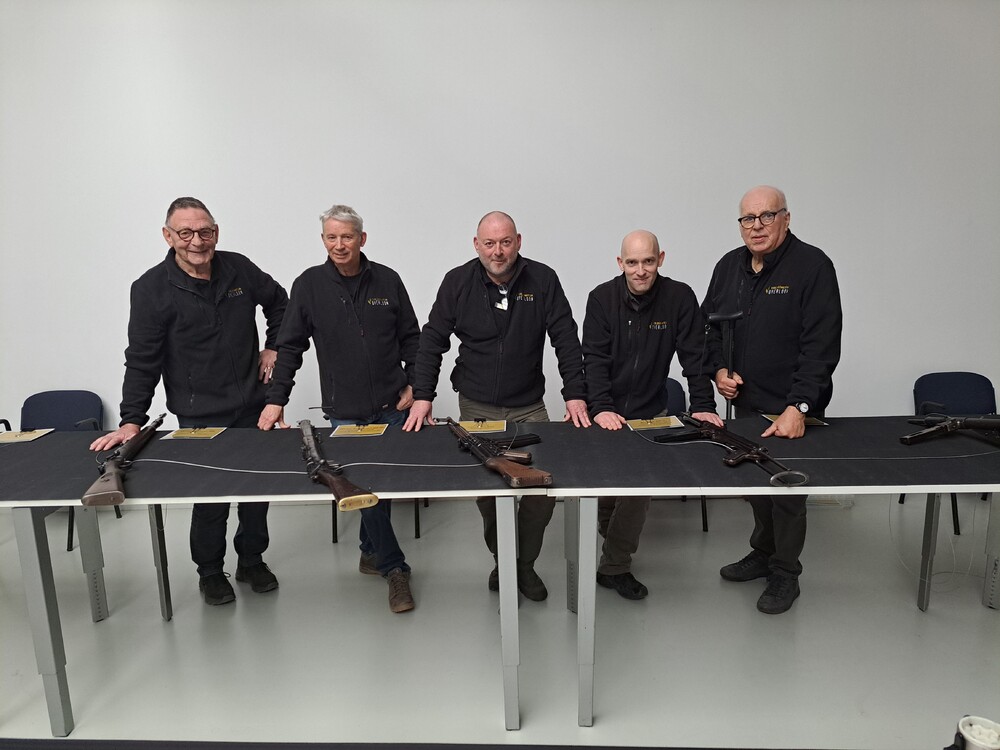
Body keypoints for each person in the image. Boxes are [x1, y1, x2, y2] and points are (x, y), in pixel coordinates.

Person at [90, 197, 288, 606]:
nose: (197, 241)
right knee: (211, 496)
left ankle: (252, 560)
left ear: (216, 232)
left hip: (253, 404)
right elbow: (142, 359)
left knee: (256, 491)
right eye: (186, 233)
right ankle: (210, 572)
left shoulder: (239, 268)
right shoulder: (150, 288)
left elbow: (280, 303)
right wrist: (131, 420)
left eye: (205, 232)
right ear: (168, 236)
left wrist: (274, 347)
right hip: (199, 413)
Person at [403, 211, 590, 601]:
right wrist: (423, 395)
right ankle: (502, 561)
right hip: (477, 408)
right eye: (489, 243)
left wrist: (575, 392)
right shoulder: (457, 282)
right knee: (489, 495)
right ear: (477, 245)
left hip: (529, 406)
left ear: (518, 241)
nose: (498, 251)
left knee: (542, 489)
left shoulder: (543, 279)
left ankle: (523, 565)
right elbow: (432, 340)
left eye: (505, 242)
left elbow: (566, 339)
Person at [258, 204, 418, 614]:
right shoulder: (309, 285)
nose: (339, 244)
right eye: (332, 237)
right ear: (323, 240)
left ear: (362, 239)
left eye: (347, 236)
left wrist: (417, 385)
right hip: (344, 411)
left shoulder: (388, 280)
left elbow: (412, 339)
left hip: (393, 405)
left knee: (380, 487)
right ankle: (394, 568)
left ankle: (369, 550)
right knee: (364, 489)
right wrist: (276, 400)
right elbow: (290, 347)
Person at [701, 185, 842, 614]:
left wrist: (800, 406)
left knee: (787, 492)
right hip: (747, 404)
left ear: (786, 218)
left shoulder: (813, 266)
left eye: (767, 216)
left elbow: (821, 345)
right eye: (748, 218)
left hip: (791, 408)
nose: (757, 226)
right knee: (757, 488)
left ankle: (785, 572)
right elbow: (709, 329)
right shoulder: (729, 266)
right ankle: (763, 553)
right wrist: (719, 370)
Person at [582, 230, 723, 600]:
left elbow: (695, 357)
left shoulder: (679, 297)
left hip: (651, 412)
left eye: (648, 261)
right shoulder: (600, 298)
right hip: (607, 412)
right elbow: (593, 360)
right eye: (632, 262)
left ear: (660, 259)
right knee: (607, 486)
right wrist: (601, 407)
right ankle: (611, 534)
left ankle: (614, 566)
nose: (640, 270)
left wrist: (703, 405)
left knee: (639, 488)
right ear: (620, 263)